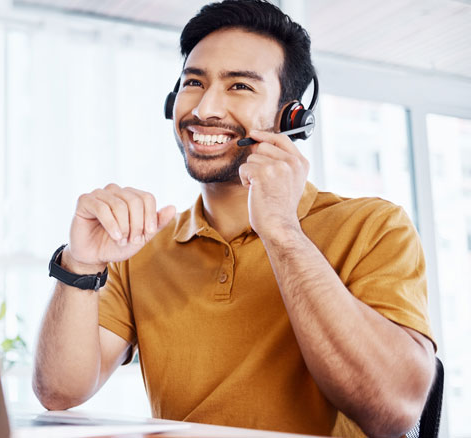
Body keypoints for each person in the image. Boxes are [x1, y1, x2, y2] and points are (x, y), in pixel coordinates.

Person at [32, 1, 437, 437]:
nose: (205, 108)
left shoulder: (373, 226)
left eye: (239, 86)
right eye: (193, 82)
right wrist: (80, 263)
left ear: (290, 116)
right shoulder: (144, 244)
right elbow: (60, 393)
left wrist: (282, 231)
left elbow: (394, 410)